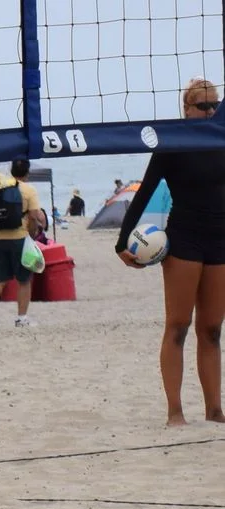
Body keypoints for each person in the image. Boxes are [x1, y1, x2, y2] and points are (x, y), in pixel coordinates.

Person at [117, 78, 225, 424]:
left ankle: (214, 409)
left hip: (220, 239)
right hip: (184, 238)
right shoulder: (172, 143)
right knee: (178, 325)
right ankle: (175, 411)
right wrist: (121, 242)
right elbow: (145, 191)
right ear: (186, 109)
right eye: (203, 106)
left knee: (211, 329)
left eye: (215, 106)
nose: (210, 112)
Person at [0, 156, 47, 328]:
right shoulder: (28, 190)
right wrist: (32, 234)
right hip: (19, 238)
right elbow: (33, 216)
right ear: (27, 173)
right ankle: (21, 319)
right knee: (23, 280)